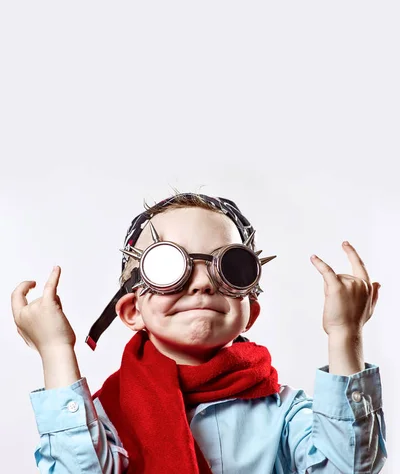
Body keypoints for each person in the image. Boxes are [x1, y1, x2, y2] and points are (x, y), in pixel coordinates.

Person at [11, 191, 387, 473]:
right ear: (130, 311)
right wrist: (57, 350)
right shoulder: (104, 416)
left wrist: (344, 334)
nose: (203, 283)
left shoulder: (285, 413)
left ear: (249, 312)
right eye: (167, 266)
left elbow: (348, 468)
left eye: (230, 268)